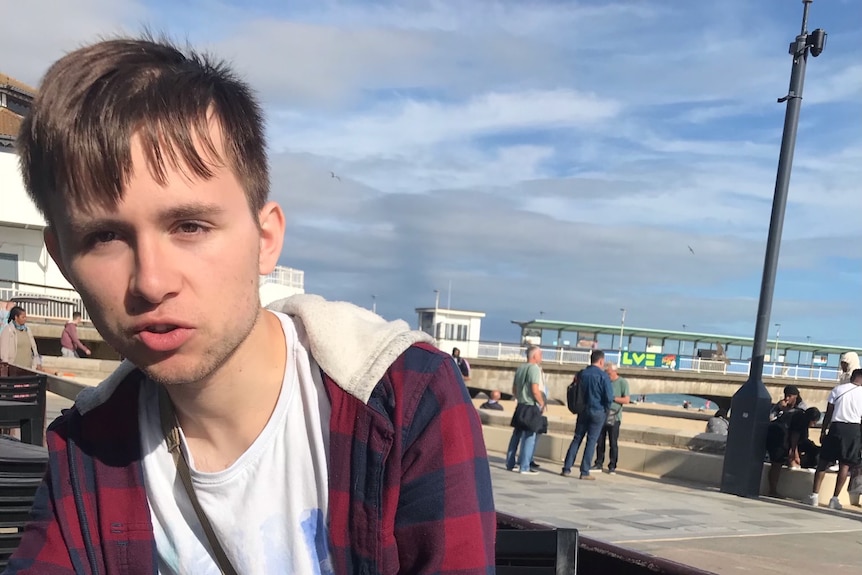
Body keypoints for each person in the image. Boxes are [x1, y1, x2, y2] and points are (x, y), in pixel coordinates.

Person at [5, 36, 495, 574]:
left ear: (265, 239)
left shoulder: (403, 400)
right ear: (61, 257)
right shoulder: (86, 448)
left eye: (190, 226)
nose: (151, 281)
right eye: (103, 237)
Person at [805, 368, 862, 510]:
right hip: (853, 429)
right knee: (845, 465)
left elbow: (829, 412)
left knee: (823, 461)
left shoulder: (838, 389)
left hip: (836, 427)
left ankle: (814, 496)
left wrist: (824, 430)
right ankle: (834, 499)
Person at [561, 349, 613, 480]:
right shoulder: (603, 376)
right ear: (601, 361)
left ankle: (567, 468)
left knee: (577, 438)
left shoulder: (582, 374)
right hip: (598, 410)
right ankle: (584, 471)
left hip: (583, 410)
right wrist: (606, 410)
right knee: (591, 441)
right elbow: (609, 397)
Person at [505, 345, 545, 475]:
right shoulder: (534, 369)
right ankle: (525, 466)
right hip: (530, 406)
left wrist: (519, 397)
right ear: (534, 356)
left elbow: (514, 389)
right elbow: (534, 389)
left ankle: (510, 463)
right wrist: (541, 402)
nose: (541, 357)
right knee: (529, 436)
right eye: (540, 355)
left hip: (520, 405)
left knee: (516, 435)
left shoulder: (520, 368)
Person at [766, 407, 821, 497]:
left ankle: (772, 490)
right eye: (814, 422)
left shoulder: (799, 415)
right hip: (778, 440)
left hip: (777, 437)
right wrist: (795, 455)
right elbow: (794, 438)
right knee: (776, 465)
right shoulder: (801, 421)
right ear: (811, 419)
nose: (814, 425)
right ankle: (772, 491)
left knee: (776, 464)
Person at [592, 362, 630, 474]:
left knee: (613, 442)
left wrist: (612, 398)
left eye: (608, 373)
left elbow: (626, 400)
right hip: (602, 414)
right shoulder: (604, 381)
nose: (607, 375)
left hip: (615, 416)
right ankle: (598, 463)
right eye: (606, 373)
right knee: (600, 441)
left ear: (614, 371)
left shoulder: (623, 382)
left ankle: (612, 465)